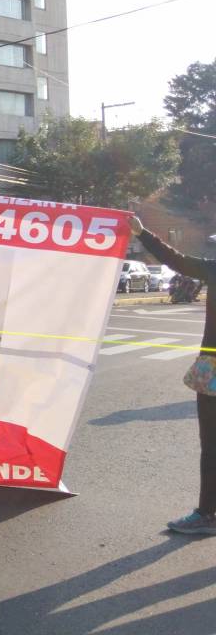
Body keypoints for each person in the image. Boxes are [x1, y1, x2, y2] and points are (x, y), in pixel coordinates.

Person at [131, 215, 216, 536]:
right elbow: (176, 261)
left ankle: (207, 513)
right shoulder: (213, 267)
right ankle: (207, 513)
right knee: (211, 446)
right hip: (212, 371)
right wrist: (142, 233)